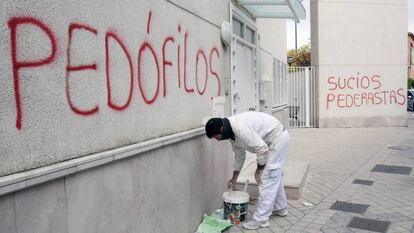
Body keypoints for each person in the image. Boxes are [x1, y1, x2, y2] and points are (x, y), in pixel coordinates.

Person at [205, 111, 290, 230]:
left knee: (267, 177)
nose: (218, 140)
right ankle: (281, 208)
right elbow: (240, 155)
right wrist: (234, 178)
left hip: (277, 139)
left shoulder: (239, 128)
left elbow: (262, 149)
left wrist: (259, 169)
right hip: (272, 140)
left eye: (217, 137)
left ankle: (261, 220)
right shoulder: (230, 133)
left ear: (221, 129)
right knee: (274, 175)